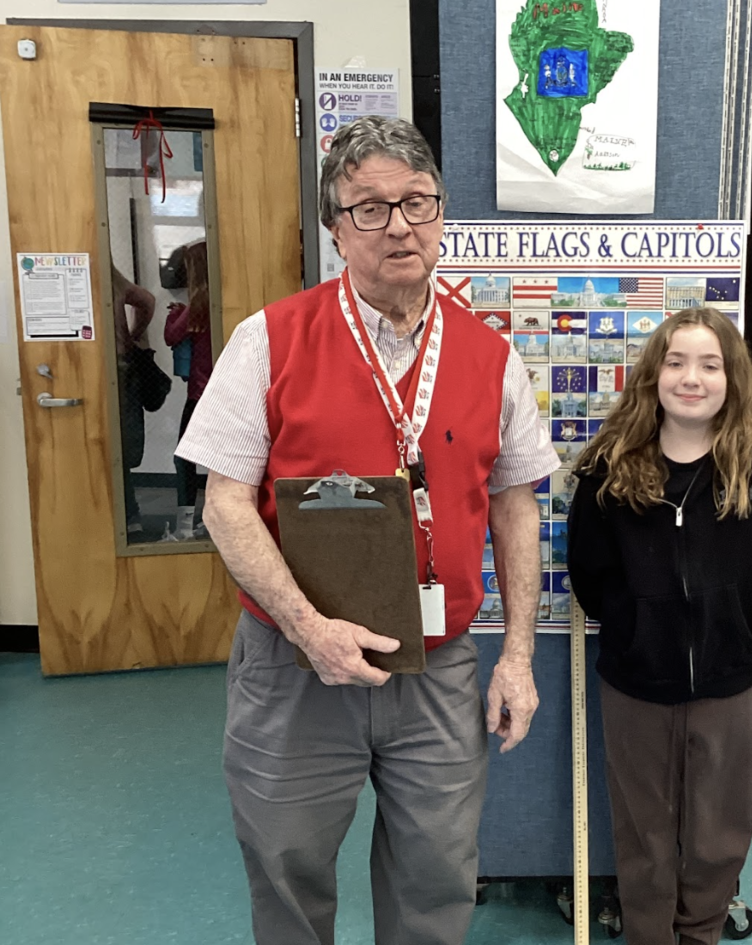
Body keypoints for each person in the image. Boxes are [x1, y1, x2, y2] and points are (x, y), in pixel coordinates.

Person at [175, 115, 560, 945]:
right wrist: (309, 629)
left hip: (439, 667)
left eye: (417, 203)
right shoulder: (268, 340)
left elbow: (515, 500)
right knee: (287, 867)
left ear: (442, 213)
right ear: (335, 228)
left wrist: (519, 656)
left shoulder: (491, 356)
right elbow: (225, 503)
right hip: (296, 667)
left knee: (438, 874)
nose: (400, 226)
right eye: (371, 208)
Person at [567, 308, 752, 945]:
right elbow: (590, 572)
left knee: (717, 829)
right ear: (653, 375)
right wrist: (631, 626)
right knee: (644, 827)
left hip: (730, 684)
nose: (691, 378)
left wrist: (747, 626)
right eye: (676, 362)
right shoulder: (608, 468)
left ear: (732, 377)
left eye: (710, 364)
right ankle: (649, 934)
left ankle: (700, 930)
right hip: (636, 682)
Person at [163, 240, 212, 540]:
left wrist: (174, 315)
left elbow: (171, 336)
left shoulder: (197, 304)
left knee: (184, 460)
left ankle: (184, 528)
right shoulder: (218, 301)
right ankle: (218, 518)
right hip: (224, 394)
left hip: (198, 394)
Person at [112, 267, 155, 537]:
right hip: (121, 368)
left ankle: (116, 515)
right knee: (121, 448)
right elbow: (147, 300)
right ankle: (130, 516)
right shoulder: (111, 277)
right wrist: (133, 335)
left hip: (96, 372)